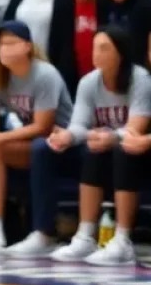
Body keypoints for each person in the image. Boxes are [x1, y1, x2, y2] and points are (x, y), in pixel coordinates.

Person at [0, 22, 73, 258]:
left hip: (59, 145)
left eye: (11, 43)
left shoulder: (44, 74)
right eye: (1, 44)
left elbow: (43, 127)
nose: (4, 49)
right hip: (27, 143)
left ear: (27, 46)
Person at [45, 26, 151, 265]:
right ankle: (85, 236)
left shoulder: (140, 79)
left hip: (138, 151)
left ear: (120, 53)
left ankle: (123, 240)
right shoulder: (89, 82)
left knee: (121, 149)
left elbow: (136, 128)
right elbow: (79, 125)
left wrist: (111, 137)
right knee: (94, 149)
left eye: (104, 48)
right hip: (113, 149)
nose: (96, 54)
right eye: (94, 47)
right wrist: (67, 137)